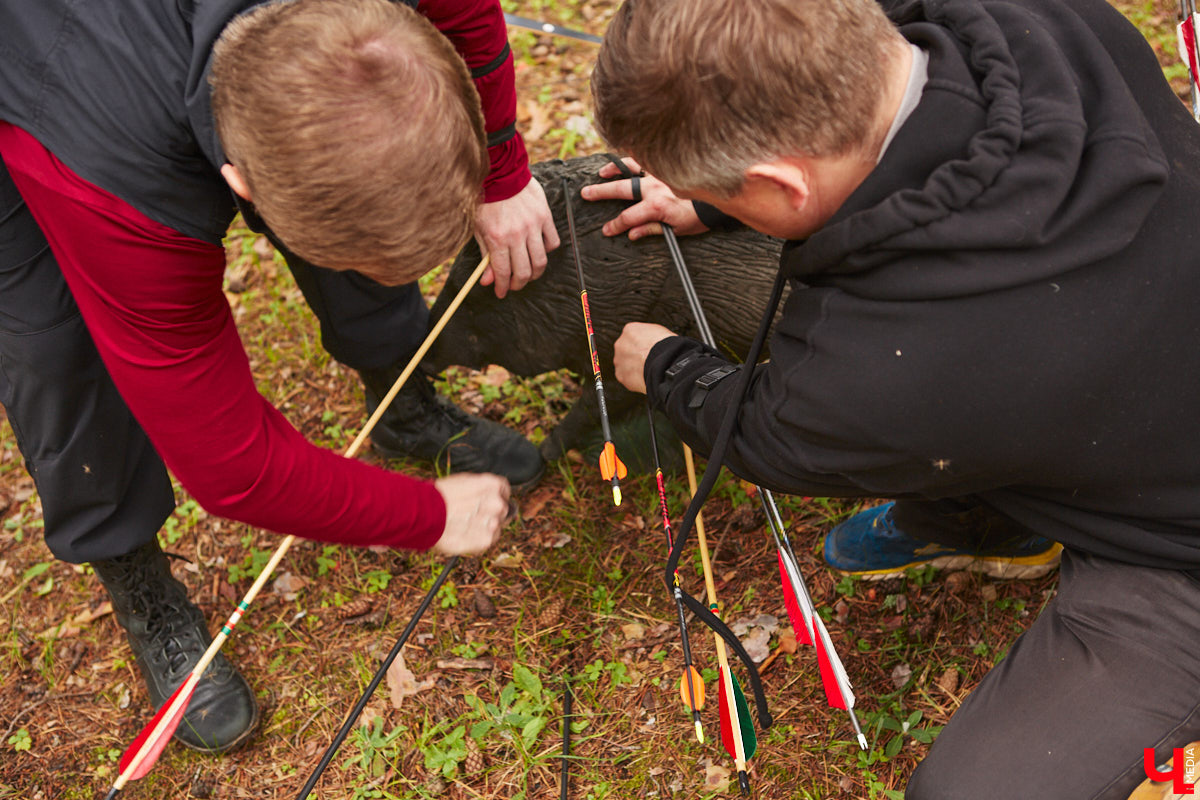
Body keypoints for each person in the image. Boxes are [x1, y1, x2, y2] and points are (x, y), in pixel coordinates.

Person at [584, 0, 1200, 797]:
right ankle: (991, 522)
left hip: (1174, 551)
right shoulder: (1037, 19)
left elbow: (766, 432)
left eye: (732, 194)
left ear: (780, 181)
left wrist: (666, 366)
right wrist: (713, 197)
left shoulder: (876, 372)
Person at [0, 0, 554, 754]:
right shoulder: (122, 195)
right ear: (239, 185)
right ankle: (137, 581)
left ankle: (403, 406)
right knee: (52, 352)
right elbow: (233, 467)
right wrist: (426, 516)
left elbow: (474, 22)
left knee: (369, 169)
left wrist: (500, 167)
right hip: (40, 83)